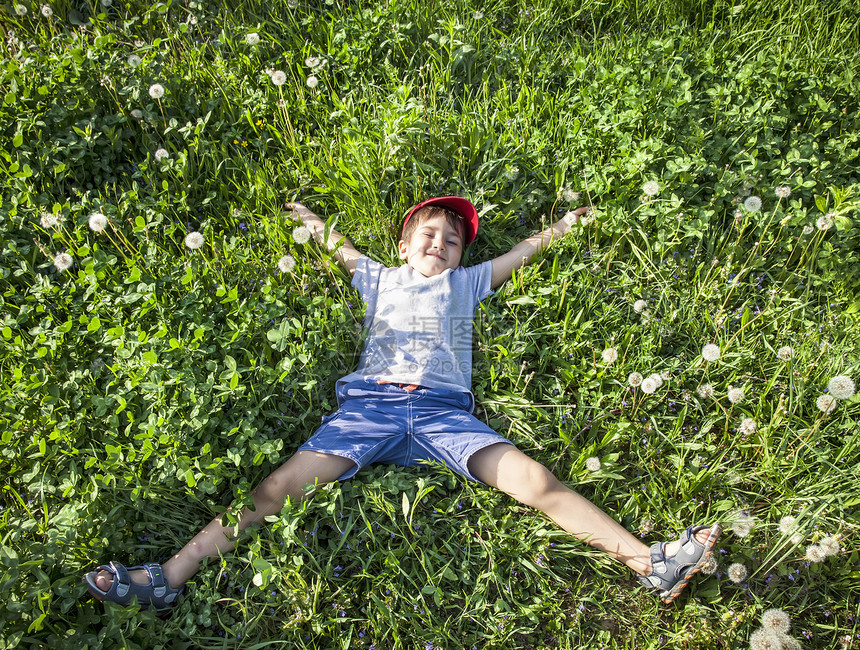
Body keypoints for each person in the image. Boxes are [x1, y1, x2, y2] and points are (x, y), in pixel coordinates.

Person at [84, 196, 720, 612]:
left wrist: (562, 227)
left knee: (536, 481)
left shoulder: (469, 283)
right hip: (370, 410)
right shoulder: (379, 278)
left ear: (463, 255)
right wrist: (310, 222)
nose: (440, 243)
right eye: (428, 234)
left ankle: (649, 563)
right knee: (276, 487)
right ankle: (168, 576)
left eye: (452, 240)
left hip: (446, 414)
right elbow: (338, 246)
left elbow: (524, 254)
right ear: (405, 245)